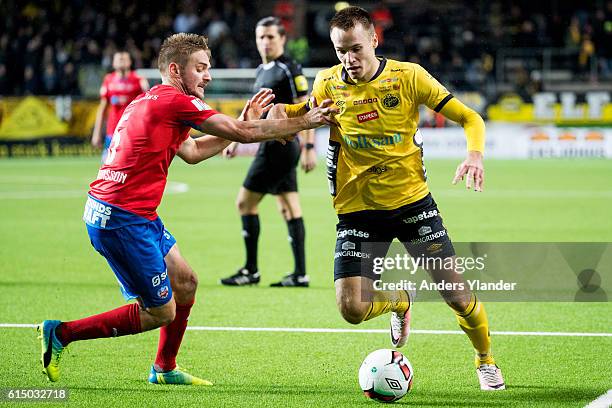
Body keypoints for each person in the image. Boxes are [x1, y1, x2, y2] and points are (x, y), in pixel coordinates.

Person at [37, 33, 337, 385]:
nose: (208, 76)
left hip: (134, 213)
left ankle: (164, 367)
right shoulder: (174, 103)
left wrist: (243, 125)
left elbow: (193, 152)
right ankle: (62, 334)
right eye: (201, 68)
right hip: (120, 218)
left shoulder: (153, 101)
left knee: (186, 283)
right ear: (176, 70)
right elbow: (241, 132)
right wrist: (306, 121)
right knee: (161, 312)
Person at [270, 7, 505, 391]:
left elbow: (470, 118)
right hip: (357, 212)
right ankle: (400, 300)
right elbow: (303, 114)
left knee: (458, 296)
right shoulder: (328, 82)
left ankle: (485, 360)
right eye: (340, 51)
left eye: (356, 49)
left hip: (412, 205)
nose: (349, 60)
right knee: (351, 309)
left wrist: (475, 154)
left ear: (374, 41)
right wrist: (282, 113)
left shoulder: (409, 76)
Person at [220, 17, 317, 288]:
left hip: (280, 146)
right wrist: (234, 139)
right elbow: (254, 114)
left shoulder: (290, 69)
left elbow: (306, 109)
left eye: (271, 37)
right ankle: (300, 274)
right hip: (274, 146)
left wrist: (309, 147)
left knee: (244, 203)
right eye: (261, 36)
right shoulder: (262, 70)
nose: (265, 41)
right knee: (288, 207)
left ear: (282, 39)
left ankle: (251, 270)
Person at [91, 51, 149, 161]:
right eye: (118, 59)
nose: (121, 60)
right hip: (113, 131)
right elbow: (102, 108)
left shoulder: (139, 80)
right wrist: (96, 133)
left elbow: (147, 107)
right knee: (109, 164)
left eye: (124, 59)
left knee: (131, 164)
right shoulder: (108, 80)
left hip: (133, 131)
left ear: (130, 62)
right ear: (113, 63)